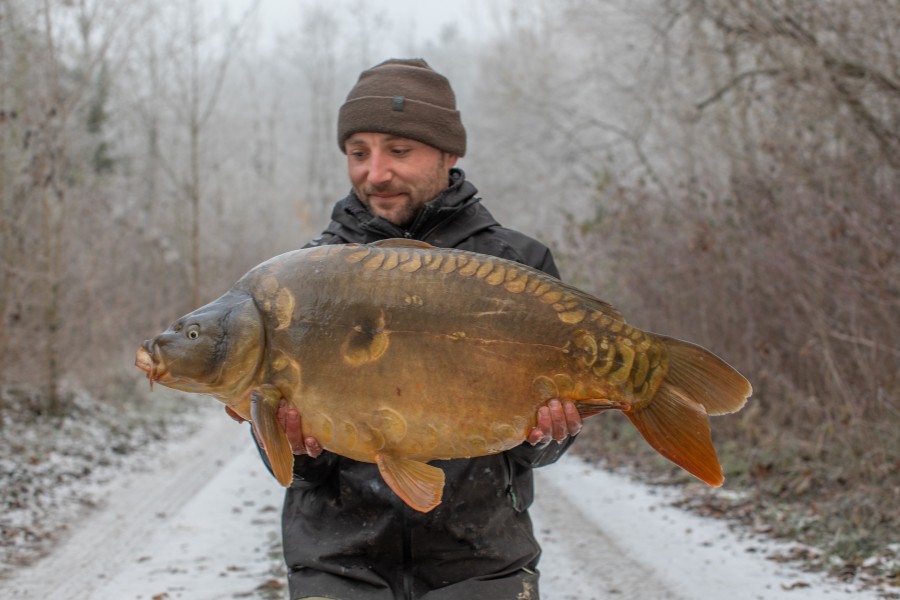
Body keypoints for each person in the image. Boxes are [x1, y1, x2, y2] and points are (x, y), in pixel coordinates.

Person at [248, 58, 583, 600]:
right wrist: (297, 447)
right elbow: (294, 468)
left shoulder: (517, 267)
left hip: (482, 567)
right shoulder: (305, 278)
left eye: (398, 151)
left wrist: (550, 433)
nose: (375, 173)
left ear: (450, 154)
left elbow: (533, 453)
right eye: (358, 153)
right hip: (338, 568)